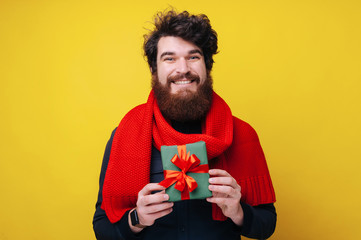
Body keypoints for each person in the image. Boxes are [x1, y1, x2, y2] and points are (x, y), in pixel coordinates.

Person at [93, 10, 277, 240]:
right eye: (169, 58)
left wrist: (238, 211)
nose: (183, 69)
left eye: (193, 57)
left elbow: (267, 224)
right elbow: (102, 228)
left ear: (207, 66)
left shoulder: (241, 134)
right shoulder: (125, 135)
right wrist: (137, 218)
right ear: (154, 69)